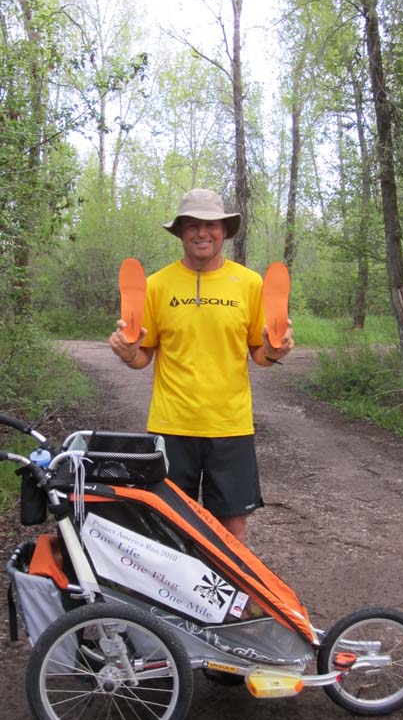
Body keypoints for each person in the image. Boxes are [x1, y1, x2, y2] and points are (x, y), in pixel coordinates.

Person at [109, 188, 294, 543]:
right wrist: (128, 352)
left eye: (210, 225)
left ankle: (228, 584)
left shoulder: (250, 284)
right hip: (171, 426)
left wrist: (275, 352)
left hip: (231, 426)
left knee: (232, 530)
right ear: (181, 232)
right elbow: (142, 356)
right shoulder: (156, 286)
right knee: (169, 528)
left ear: (224, 231)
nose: (202, 232)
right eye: (192, 225)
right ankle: (176, 582)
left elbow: (260, 353)